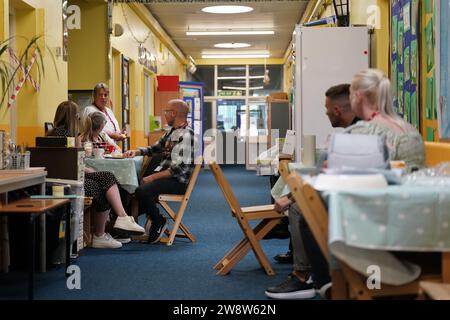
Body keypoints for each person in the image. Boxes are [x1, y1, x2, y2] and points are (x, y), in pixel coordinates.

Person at [265, 83, 362, 300]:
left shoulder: (353, 136)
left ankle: (304, 275)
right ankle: (308, 272)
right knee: (300, 204)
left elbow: (325, 179)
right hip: (351, 196)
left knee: (301, 208)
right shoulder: (353, 133)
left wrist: (290, 198)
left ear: (337, 110)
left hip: (354, 204)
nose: (326, 112)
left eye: (327, 108)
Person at [49, 101, 145, 249]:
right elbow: (71, 162)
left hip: (70, 176)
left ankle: (117, 221)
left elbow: (71, 161)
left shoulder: (56, 134)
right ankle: (106, 230)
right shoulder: (66, 136)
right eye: (77, 117)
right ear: (72, 118)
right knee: (104, 182)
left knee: (105, 179)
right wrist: (87, 169)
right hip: (70, 180)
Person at [124, 99, 196, 244]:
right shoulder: (172, 132)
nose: (165, 115)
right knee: (133, 189)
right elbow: (154, 148)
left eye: (166, 112)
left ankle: (158, 221)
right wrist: (137, 151)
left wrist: (152, 178)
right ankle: (127, 223)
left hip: (177, 181)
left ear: (174, 113)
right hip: (167, 177)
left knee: (142, 191)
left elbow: (178, 169)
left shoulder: (187, 135)